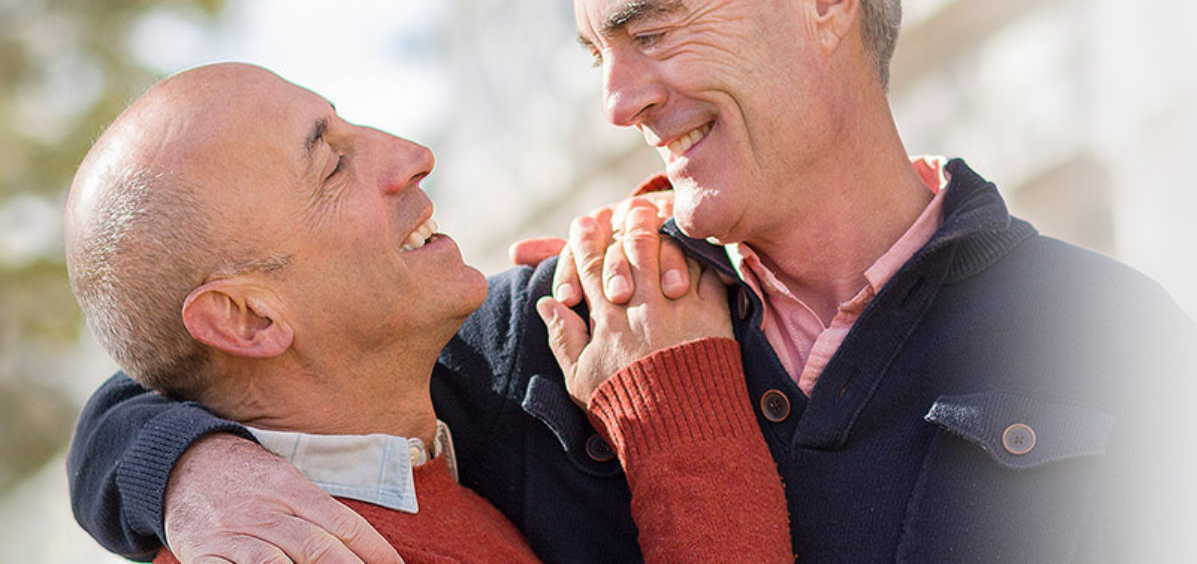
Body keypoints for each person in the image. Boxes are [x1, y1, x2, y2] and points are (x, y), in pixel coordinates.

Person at [69, 0, 1197, 562]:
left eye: (650, 31)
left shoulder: (1119, 342)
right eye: (595, 52)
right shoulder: (560, 315)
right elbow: (203, 350)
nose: (616, 102)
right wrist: (184, 470)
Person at [64, 62, 793, 563]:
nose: (413, 155)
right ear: (249, 320)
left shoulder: (429, 452)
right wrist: (678, 417)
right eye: (334, 163)